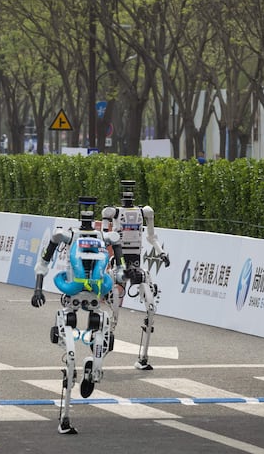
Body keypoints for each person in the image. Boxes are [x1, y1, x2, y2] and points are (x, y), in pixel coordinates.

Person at [31, 197, 124, 435]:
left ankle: (93, 369)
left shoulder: (104, 237)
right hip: (71, 297)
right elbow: (44, 261)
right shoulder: (66, 235)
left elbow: (119, 261)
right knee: (70, 358)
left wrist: (123, 272)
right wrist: (38, 288)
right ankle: (65, 418)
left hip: (96, 296)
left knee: (102, 342)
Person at [101, 180, 170, 370]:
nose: (128, 196)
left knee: (150, 306)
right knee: (114, 305)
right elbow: (104, 235)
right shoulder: (112, 212)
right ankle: (105, 339)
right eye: (126, 193)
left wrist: (161, 253)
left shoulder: (144, 212)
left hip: (136, 262)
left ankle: (144, 357)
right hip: (119, 262)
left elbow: (151, 237)